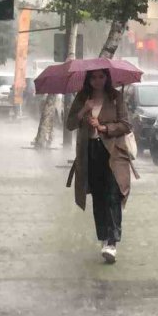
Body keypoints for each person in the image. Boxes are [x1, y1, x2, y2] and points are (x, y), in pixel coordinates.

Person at [65, 69, 133, 263]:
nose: (97, 81)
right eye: (93, 77)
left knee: (113, 193)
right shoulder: (82, 97)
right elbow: (70, 124)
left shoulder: (115, 96)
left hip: (113, 152)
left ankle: (112, 242)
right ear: (88, 79)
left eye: (101, 76)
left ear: (107, 78)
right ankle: (104, 237)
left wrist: (104, 128)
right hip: (90, 152)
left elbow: (126, 124)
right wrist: (83, 110)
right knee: (98, 196)